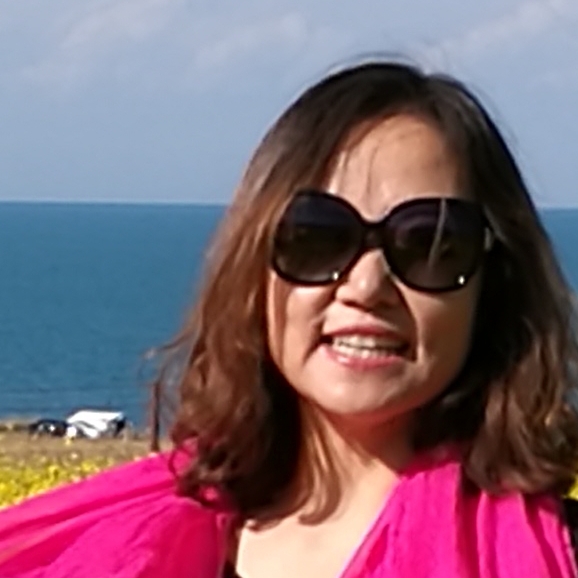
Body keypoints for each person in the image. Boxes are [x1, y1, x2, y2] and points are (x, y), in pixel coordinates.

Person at [1, 59, 578, 578]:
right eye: (317, 237)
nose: (367, 287)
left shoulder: (556, 554)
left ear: (494, 284)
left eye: (430, 245)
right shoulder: (117, 549)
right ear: (255, 268)